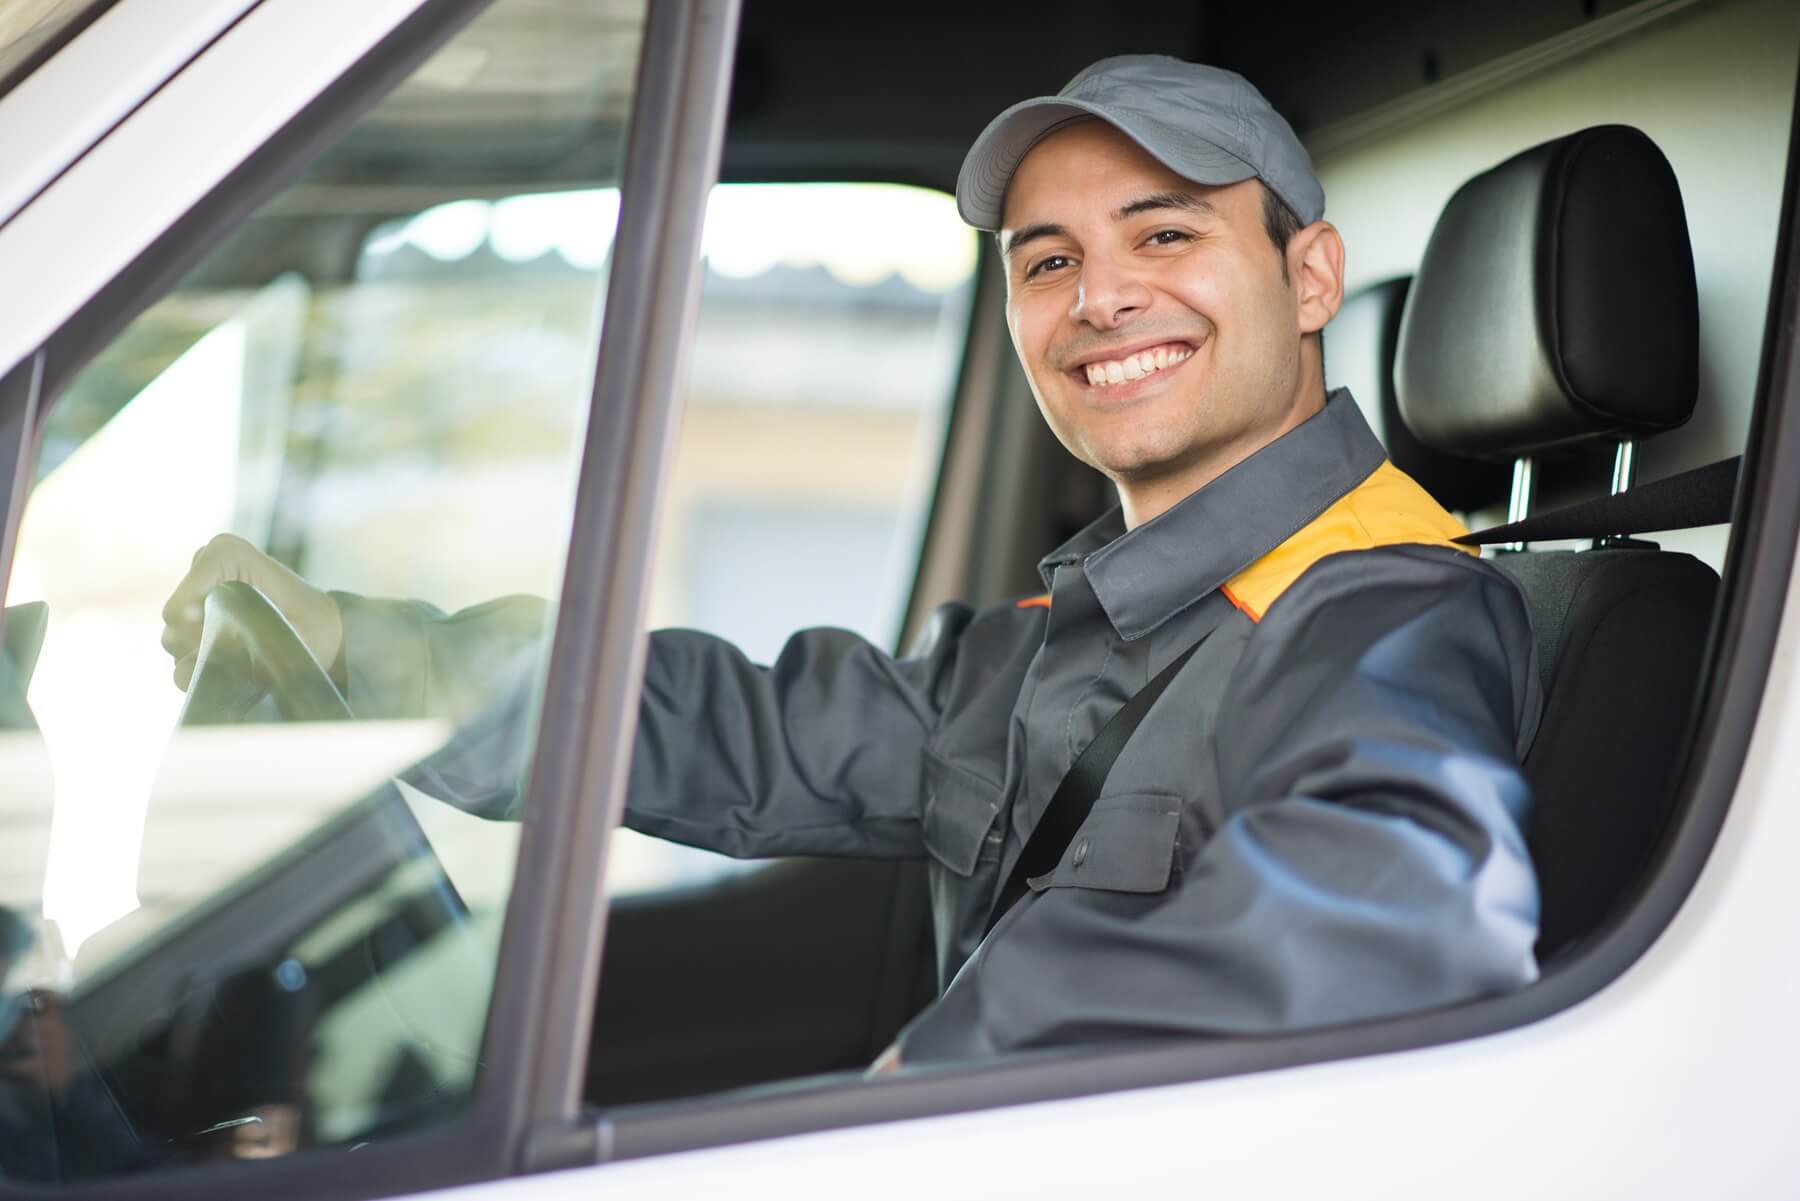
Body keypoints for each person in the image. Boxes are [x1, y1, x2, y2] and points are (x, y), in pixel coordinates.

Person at [162, 55, 1541, 1067]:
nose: (1101, 297)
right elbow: (760, 732)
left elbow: (1396, 913)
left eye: (1167, 232)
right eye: (1046, 260)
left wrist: (918, 1093)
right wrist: (377, 654)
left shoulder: (1378, 602)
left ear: (1309, 279)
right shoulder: (1099, 623)